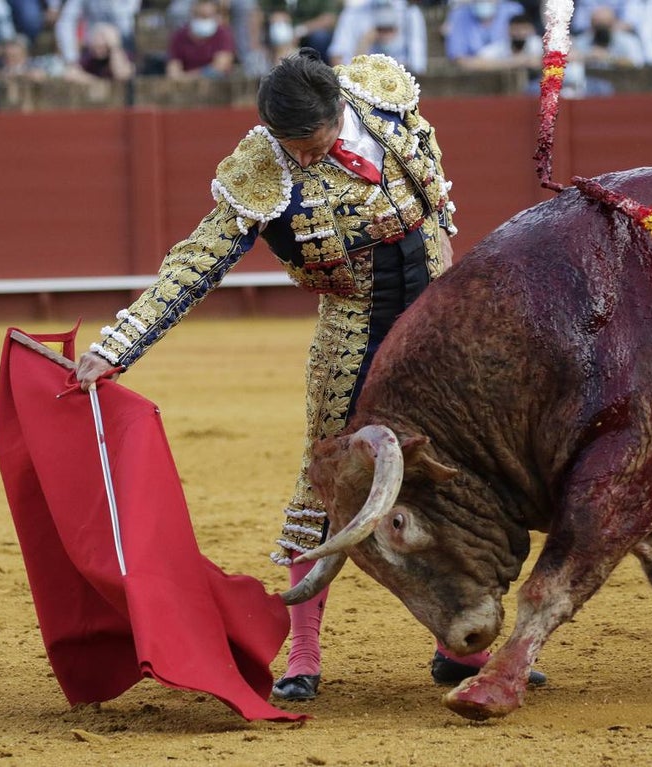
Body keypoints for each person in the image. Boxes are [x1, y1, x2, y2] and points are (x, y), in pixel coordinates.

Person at [75, 47, 466, 702]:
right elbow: (195, 261)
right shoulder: (264, 164)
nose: (304, 159)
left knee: (454, 473)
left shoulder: (382, 93)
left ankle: (458, 641)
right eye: (293, 148)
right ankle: (304, 653)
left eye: (313, 145)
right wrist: (118, 345)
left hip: (436, 315)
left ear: (340, 110)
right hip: (355, 328)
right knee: (327, 480)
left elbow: (430, 173)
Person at [329, 0, 427, 73]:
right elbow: (337, 60)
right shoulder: (352, 12)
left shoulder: (410, 12)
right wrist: (364, 43)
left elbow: (418, 64)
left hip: (400, 83)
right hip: (362, 83)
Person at [165, 0, 236, 78]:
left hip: (215, 83)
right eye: (200, 16)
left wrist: (188, 77)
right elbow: (173, 67)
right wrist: (179, 77)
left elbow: (221, 66)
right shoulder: (179, 35)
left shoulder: (223, 33)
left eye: (207, 17)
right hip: (185, 85)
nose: (203, 21)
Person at [444, 0, 525, 68]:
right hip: (472, 80)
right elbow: (458, 59)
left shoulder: (513, 10)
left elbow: (530, 56)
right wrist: (509, 63)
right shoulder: (459, 15)